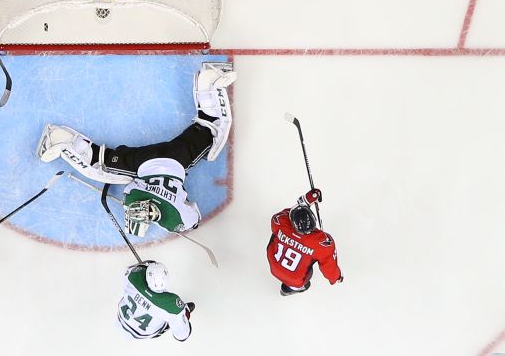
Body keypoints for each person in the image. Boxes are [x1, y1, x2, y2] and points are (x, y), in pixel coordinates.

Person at [36, 62, 236, 237]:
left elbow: (193, 217)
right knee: (100, 165)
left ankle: (209, 80)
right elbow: (130, 186)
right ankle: (58, 139)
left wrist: (165, 217)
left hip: (176, 158)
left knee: (210, 130)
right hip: (142, 162)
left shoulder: (174, 220)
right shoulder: (139, 200)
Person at [266, 188, 343, 296]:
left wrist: (305, 201)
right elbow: (329, 268)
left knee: (276, 235)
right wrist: (336, 278)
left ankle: (289, 281)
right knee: (312, 260)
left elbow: (288, 214)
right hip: (295, 280)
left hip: (273, 265)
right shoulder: (322, 243)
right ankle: (291, 287)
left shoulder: (280, 222)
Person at [117, 261, 195, 341]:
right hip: (143, 333)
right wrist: (182, 313)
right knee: (176, 315)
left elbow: (131, 270)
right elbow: (182, 336)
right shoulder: (172, 304)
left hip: (122, 319)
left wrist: (144, 266)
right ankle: (182, 314)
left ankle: (178, 315)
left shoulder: (134, 276)